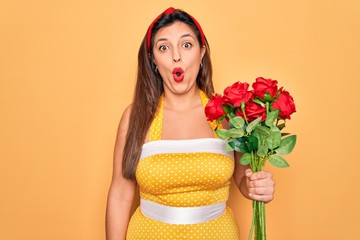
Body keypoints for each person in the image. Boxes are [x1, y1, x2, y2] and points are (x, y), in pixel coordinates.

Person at [106, 7, 275, 240]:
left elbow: (241, 178)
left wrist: (257, 186)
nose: (177, 56)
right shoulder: (135, 117)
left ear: (202, 52)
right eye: (163, 47)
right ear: (153, 60)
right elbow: (120, 194)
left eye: (186, 45)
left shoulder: (228, 116)